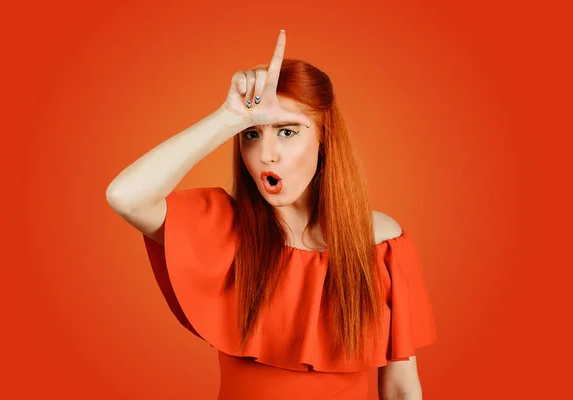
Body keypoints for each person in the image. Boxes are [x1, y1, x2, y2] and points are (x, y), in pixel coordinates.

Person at [106, 29, 437, 400]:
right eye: (251, 135)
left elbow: (401, 389)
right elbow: (126, 196)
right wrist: (229, 117)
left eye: (287, 131)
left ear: (324, 137)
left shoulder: (383, 243)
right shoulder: (222, 230)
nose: (266, 154)